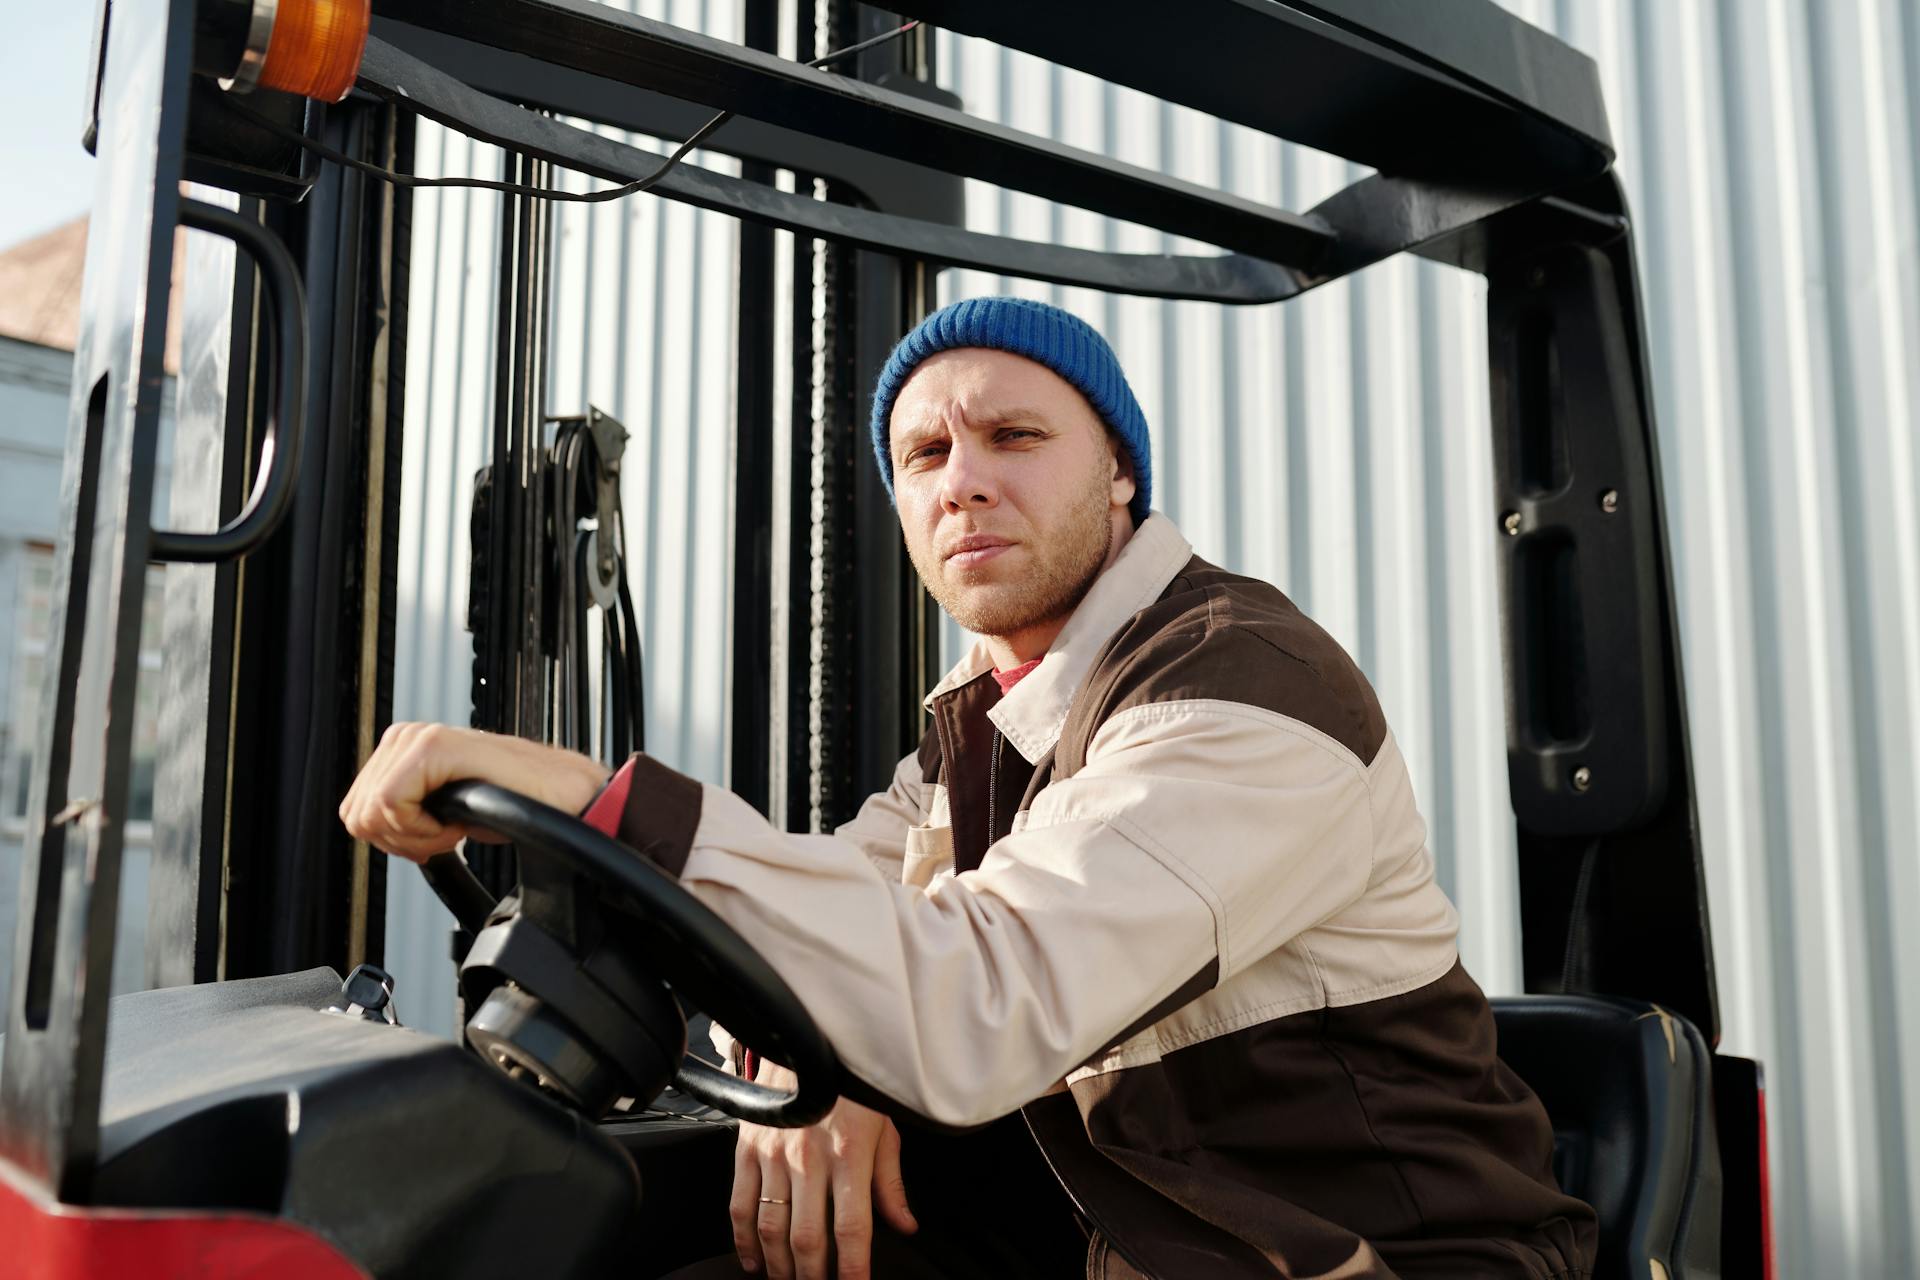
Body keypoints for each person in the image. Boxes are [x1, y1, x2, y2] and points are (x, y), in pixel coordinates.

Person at [342, 297, 1597, 1279]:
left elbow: (978, 998)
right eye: (926, 452)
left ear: (1118, 474)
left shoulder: (1238, 689)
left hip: (1356, 1253)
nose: (963, 478)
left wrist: (594, 795)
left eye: (1014, 436)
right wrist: (815, 1063)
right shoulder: (983, 722)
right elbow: (836, 917)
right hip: (1135, 1232)